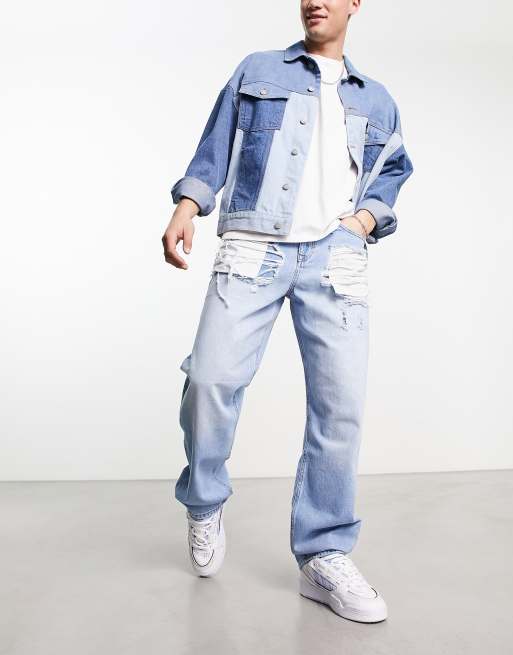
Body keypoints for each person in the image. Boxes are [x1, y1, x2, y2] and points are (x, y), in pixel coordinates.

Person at [162, 0, 413, 623]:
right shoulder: (258, 69)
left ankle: (323, 553)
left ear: (356, 3)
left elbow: (392, 171)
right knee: (211, 379)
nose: (314, 0)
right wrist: (188, 206)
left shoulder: (377, 99)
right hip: (256, 244)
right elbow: (214, 146)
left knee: (339, 408)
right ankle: (204, 499)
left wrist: (363, 221)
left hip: (334, 256)